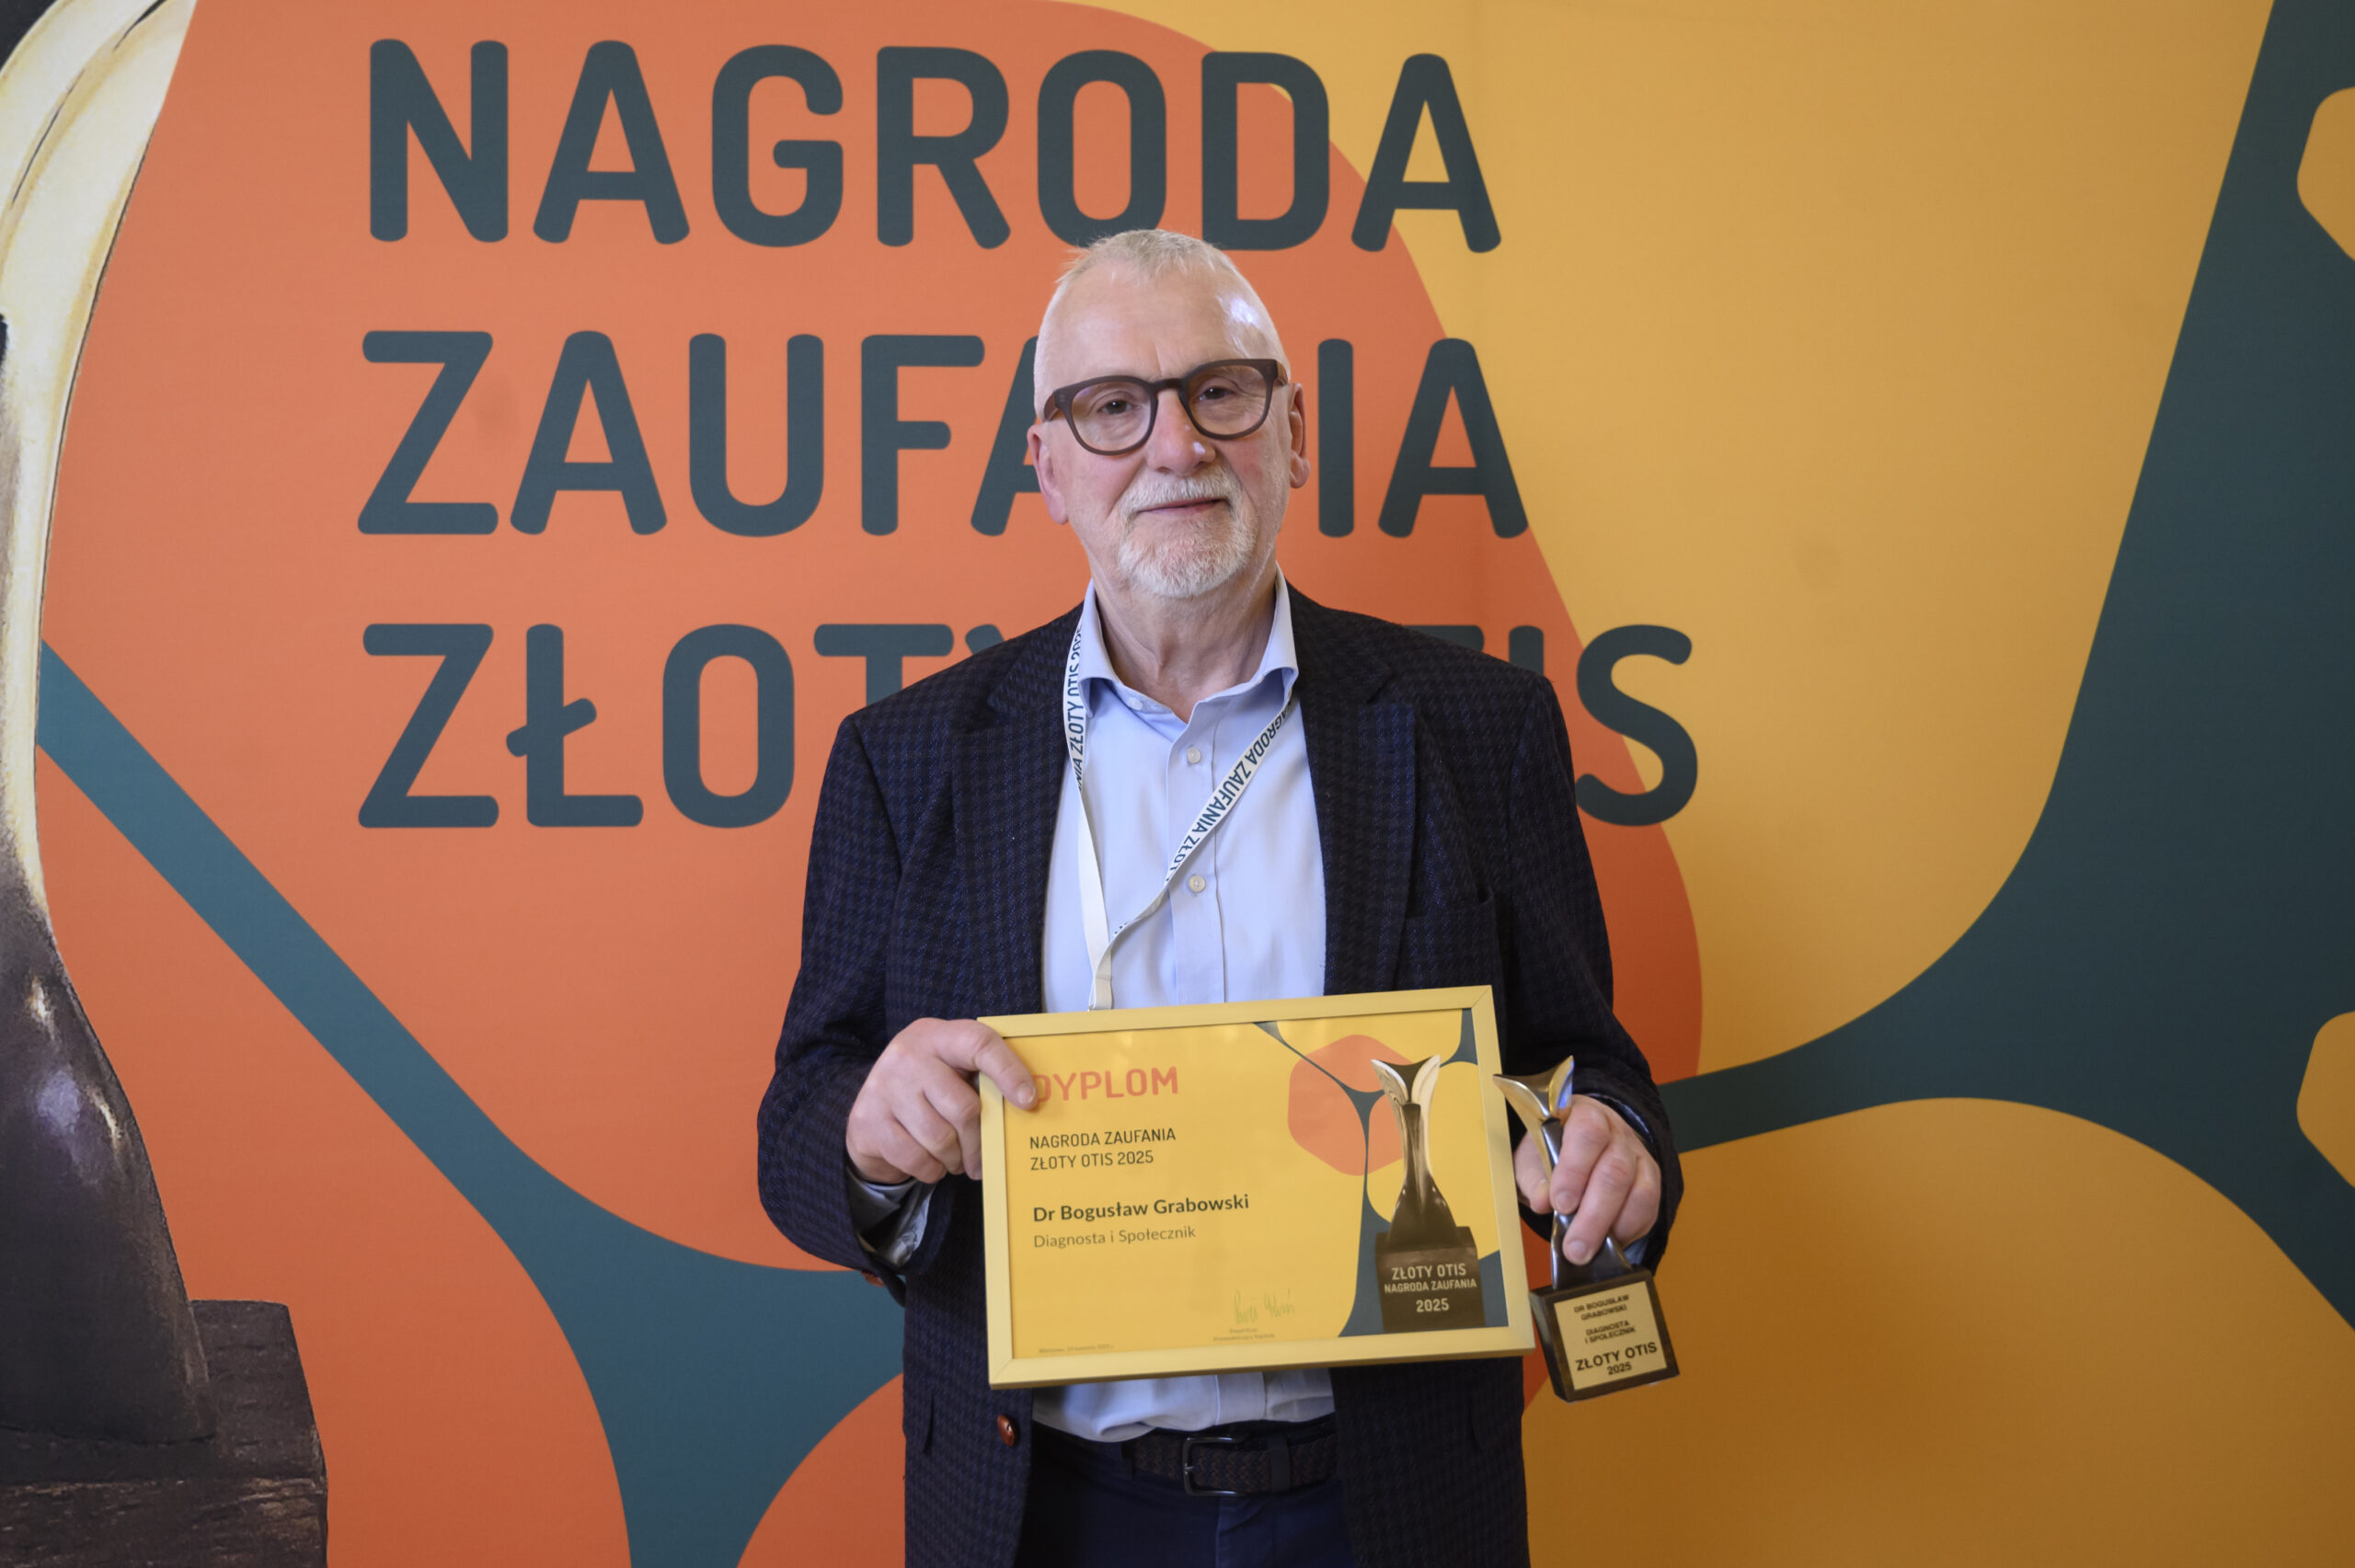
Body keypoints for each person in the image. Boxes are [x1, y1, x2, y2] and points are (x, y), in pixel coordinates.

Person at [757, 229, 1681, 1568]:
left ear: (1292, 434)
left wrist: (1610, 1146)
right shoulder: (908, 759)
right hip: (1042, 1511)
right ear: (1048, 465)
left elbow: (1589, 1064)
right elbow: (799, 1118)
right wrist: (868, 1135)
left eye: (1220, 391)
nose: (1176, 445)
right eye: (1113, 406)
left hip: (1392, 1503)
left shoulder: (1480, 728)